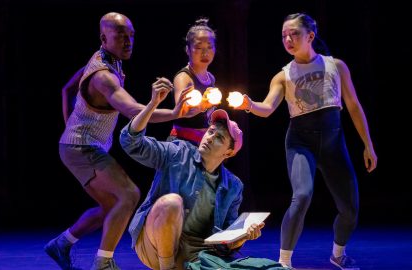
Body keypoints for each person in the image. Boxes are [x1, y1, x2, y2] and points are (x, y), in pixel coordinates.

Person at [44, 12, 189, 270]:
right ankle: (103, 262)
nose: (128, 41)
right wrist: (172, 111)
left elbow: (67, 89)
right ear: (104, 37)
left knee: (111, 205)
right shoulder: (104, 76)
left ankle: (62, 243)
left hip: (79, 145)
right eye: (120, 35)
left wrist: (70, 127)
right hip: (82, 147)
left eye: (131, 35)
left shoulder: (104, 59)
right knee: (129, 194)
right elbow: (133, 110)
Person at [235, 13, 378, 270]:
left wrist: (368, 144)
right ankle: (284, 262)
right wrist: (249, 104)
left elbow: (354, 107)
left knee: (350, 209)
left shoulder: (336, 66)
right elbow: (267, 108)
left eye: (294, 34)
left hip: (333, 142)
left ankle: (338, 254)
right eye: (284, 35)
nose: (288, 39)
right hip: (300, 141)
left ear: (310, 36)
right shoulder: (283, 75)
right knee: (302, 195)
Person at [119, 93, 264, 269]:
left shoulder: (233, 186)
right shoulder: (177, 152)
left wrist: (243, 237)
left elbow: (226, 242)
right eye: (211, 131)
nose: (210, 137)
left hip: (196, 255)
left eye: (219, 138)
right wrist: (152, 105)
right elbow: (131, 143)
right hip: (154, 246)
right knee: (171, 203)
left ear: (229, 152)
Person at [168, 18, 218, 145]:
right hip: (183, 143)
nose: (205, 52)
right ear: (187, 49)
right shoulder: (183, 78)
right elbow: (182, 111)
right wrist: (203, 105)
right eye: (199, 47)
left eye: (209, 47)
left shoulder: (211, 77)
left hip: (204, 143)